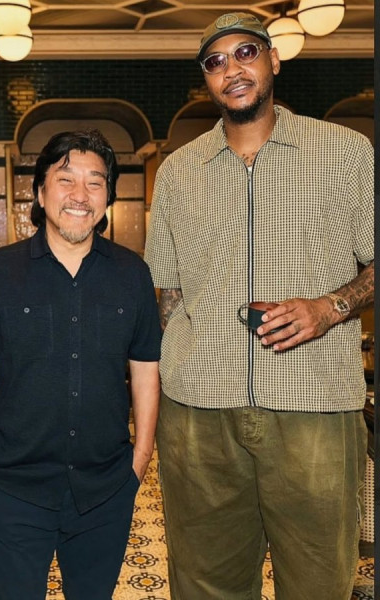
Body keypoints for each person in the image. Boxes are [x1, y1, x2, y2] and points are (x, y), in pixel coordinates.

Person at [144, 12, 374, 600]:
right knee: (205, 583)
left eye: (246, 52)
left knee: (319, 581)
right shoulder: (177, 173)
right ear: (206, 80)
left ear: (273, 59)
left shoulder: (345, 153)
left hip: (314, 404)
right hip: (199, 413)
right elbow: (167, 292)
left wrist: (329, 307)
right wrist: (176, 371)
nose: (232, 69)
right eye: (215, 62)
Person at [0, 129, 161, 600]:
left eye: (95, 182)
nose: (80, 195)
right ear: (40, 192)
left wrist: (140, 459)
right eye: (66, 179)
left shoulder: (132, 274)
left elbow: (146, 369)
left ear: (107, 197)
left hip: (105, 488)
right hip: (15, 487)